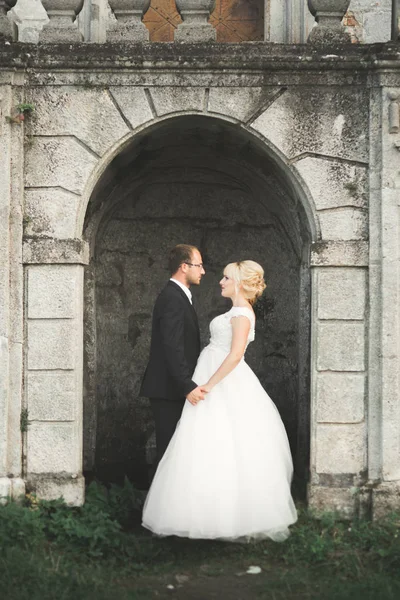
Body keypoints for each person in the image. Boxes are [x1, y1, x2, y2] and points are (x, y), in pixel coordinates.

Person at [142, 260, 297, 542]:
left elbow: (236, 355)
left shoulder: (240, 313)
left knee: (220, 441)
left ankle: (222, 515)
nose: (220, 282)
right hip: (211, 371)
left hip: (222, 380)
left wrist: (209, 385)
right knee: (204, 441)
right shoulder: (235, 311)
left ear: (238, 282)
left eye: (226, 278)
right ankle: (200, 512)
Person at [140, 244, 206, 471]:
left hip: (173, 388)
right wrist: (187, 385)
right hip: (169, 390)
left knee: (176, 452)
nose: (203, 271)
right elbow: (172, 346)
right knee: (169, 453)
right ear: (184, 266)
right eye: (199, 265)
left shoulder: (179, 296)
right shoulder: (172, 298)